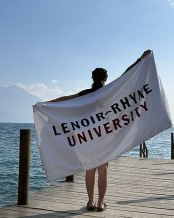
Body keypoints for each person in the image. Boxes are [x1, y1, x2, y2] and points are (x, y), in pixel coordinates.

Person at [50, 50, 151, 212]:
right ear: (105, 79)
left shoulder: (86, 94)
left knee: (90, 169)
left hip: (88, 137)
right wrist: (141, 58)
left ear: (93, 78)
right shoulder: (110, 90)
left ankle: (90, 202)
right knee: (103, 169)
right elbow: (127, 75)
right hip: (104, 135)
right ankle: (100, 203)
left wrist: (49, 103)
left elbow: (67, 100)